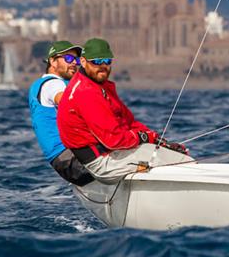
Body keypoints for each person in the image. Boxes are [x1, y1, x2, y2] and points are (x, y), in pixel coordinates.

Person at [57, 37, 191, 183]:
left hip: (114, 154)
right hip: (102, 164)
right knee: (182, 163)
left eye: (107, 61)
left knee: (171, 153)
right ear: (83, 61)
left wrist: (159, 140)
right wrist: (143, 137)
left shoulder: (100, 86)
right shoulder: (86, 92)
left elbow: (129, 122)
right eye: (96, 61)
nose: (103, 66)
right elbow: (113, 140)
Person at [28, 41, 94, 186]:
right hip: (71, 160)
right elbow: (67, 103)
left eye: (76, 60)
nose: (74, 64)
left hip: (62, 161)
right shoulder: (54, 84)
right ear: (52, 61)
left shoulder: (39, 84)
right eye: (68, 59)